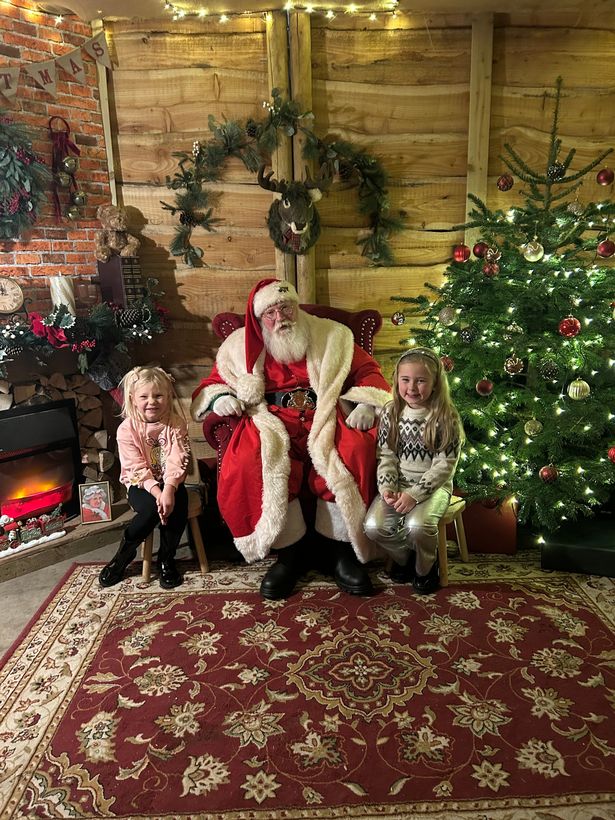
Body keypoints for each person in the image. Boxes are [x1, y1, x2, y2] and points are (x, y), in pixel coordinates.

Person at [191, 278, 391, 600]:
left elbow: (368, 370)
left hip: (325, 412)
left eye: (285, 308)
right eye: (270, 313)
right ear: (259, 320)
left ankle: (340, 549)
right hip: (270, 419)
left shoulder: (332, 335)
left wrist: (368, 402)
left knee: (355, 449)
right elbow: (211, 383)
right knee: (248, 460)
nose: (280, 317)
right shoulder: (238, 346)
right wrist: (219, 399)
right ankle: (290, 554)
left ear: (295, 306)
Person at [363, 347, 464, 594]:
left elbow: (444, 465)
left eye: (421, 381)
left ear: (435, 383)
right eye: (405, 380)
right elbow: (386, 455)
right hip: (398, 485)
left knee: (418, 527)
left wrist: (415, 495)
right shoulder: (390, 411)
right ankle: (406, 557)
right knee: (374, 528)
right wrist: (387, 487)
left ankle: (425, 568)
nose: (412, 388)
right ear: (397, 379)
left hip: (433, 488)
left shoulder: (445, 415)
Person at [99, 366, 191, 589]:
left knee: (178, 506)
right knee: (150, 509)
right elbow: (135, 467)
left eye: (158, 395)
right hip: (140, 483)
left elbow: (176, 458)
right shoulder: (127, 429)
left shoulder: (175, 424)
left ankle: (166, 560)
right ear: (132, 398)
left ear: (168, 396)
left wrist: (168, 489)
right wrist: (157, 492)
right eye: (144, 396)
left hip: (171, 480)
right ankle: (123, 555)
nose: (152, 401)